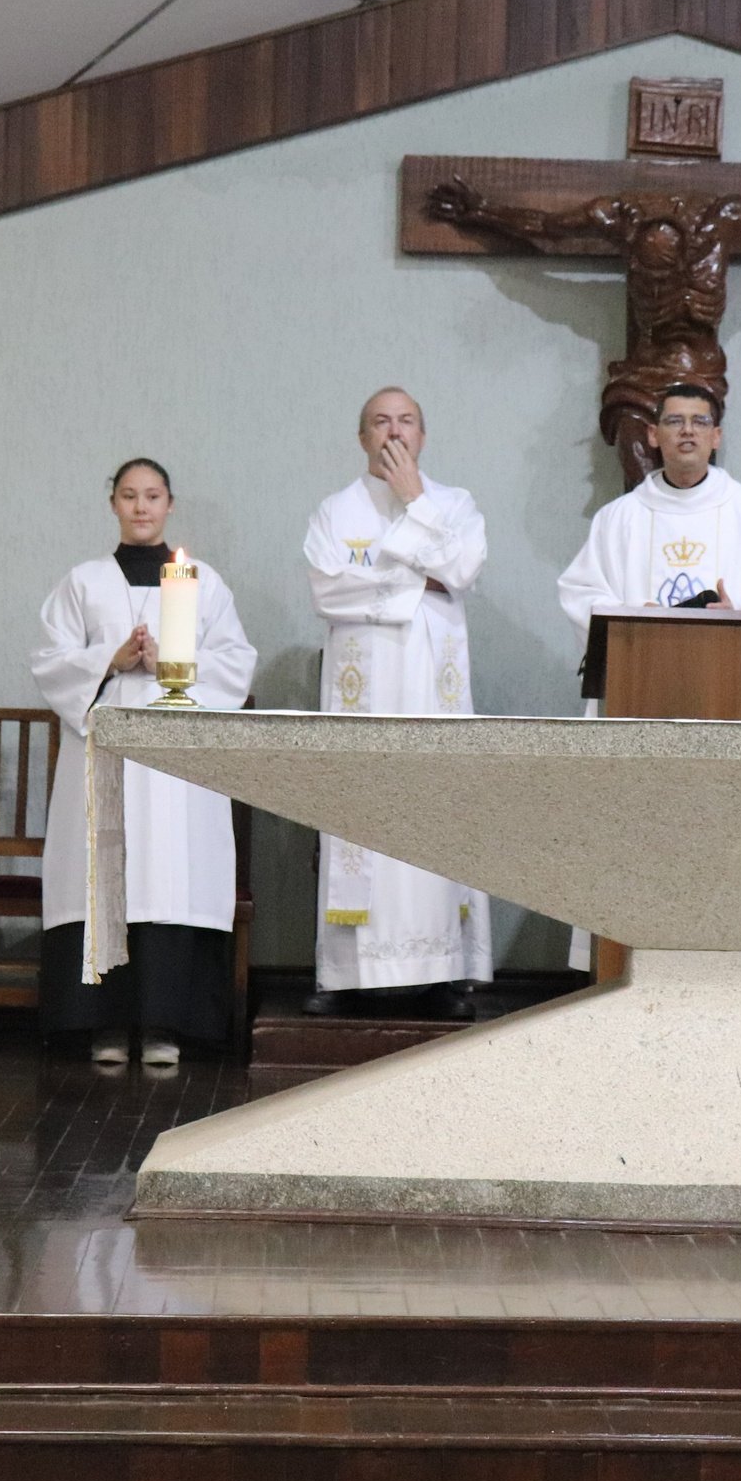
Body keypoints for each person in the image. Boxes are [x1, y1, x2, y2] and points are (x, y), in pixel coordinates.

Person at [33, 458, 258, 1067]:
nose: (140, 506)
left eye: (152, 495)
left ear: (169, 505)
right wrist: (108, 659)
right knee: (105, 878)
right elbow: (52, 662)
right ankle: (104, 1025)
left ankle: (167, 1026)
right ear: (112, 503)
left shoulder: (202, 583)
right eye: (129, 495)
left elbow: (235, 664)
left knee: (170, 880)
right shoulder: (83, 582)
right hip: (103, 755)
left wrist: (166, 663)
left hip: (175, 767)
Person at [303, 387, 492, 1018]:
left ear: (422, 435)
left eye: (406, 421)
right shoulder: (336, 510)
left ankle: (446, 973)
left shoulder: (454, 503)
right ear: (362, 439)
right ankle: (346, 975)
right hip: (365, 694)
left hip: (432, 693)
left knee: (435, 808)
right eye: (380, 422)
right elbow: (329, 591)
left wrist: (415, 505)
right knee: (362, 817)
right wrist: (421, 575)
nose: (394, 432)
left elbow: (464, 570)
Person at [558, 382, 741, 722]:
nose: (688, 431)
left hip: (727, 679)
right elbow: (580, 591)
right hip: (639, 679)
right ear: (653, 434)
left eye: (700, 422)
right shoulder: (618, 518)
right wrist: (631, 617)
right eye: (675, 421)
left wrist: (739, 616)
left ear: (716, 436)